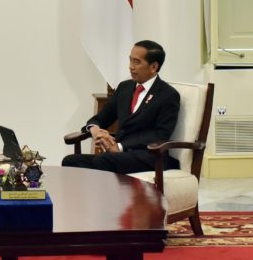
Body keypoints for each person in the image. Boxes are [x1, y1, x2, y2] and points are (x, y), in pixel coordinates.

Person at [62, 40, 181, 175]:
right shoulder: (124, 88)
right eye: (130, 60)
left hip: (148, 156)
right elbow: (100, 118)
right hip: (118, 156)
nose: (131, 66)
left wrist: (120, 146)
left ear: (153, 67)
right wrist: (95, 130)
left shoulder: (168, 95)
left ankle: (105, 196)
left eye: (137, 62)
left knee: (103, 160)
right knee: (71, 161)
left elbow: (160, 134)